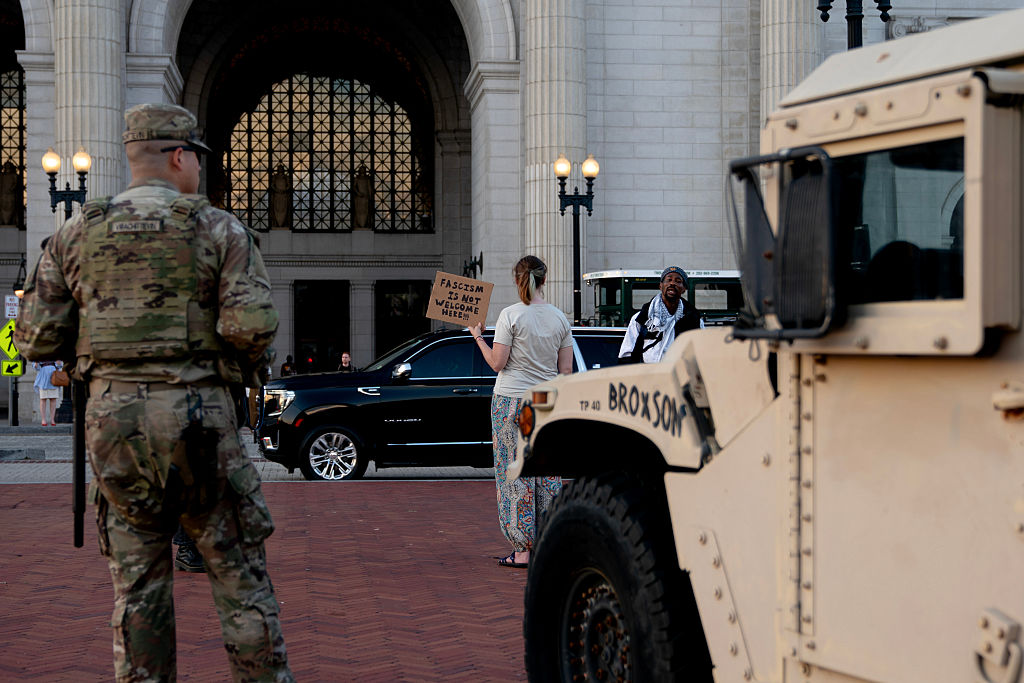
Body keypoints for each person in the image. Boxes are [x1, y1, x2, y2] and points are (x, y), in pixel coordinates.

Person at [14, 103, 292, 681]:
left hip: (115, 430)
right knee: (240, 580)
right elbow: (252, 327)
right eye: (197, 157)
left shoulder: (75, 231)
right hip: (201, 425)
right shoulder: (219, 229)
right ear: (179, 155)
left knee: (137, 589)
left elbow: (36, 339)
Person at [469, 255, 572, 569]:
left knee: (515, 474)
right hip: (547, 401)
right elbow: (565, 371)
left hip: (511, 400)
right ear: (544, 279)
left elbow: (497, 363)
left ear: (518, 280)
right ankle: (548, 541)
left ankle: (522, 548)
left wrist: (477, 335)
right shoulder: (559, 318)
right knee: (548, 474)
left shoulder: (509, 315)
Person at [618, 265, 702, 364]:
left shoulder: (694, 320)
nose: (672, 283)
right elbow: (626, 354)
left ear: (684, 289)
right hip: (648, 376)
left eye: (678, 281)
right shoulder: (641, 318)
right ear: (660, 286)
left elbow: (701, 353)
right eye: (668, 280)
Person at [32, 360, 61, 426]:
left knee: (53, 399)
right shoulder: (38, 351)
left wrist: (58, 361)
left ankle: (52, 419)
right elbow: (35, 366)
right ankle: (43, 419)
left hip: (53, 375)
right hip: (43, 376)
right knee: (43, 399)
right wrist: (36, 362)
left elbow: (60, 364)